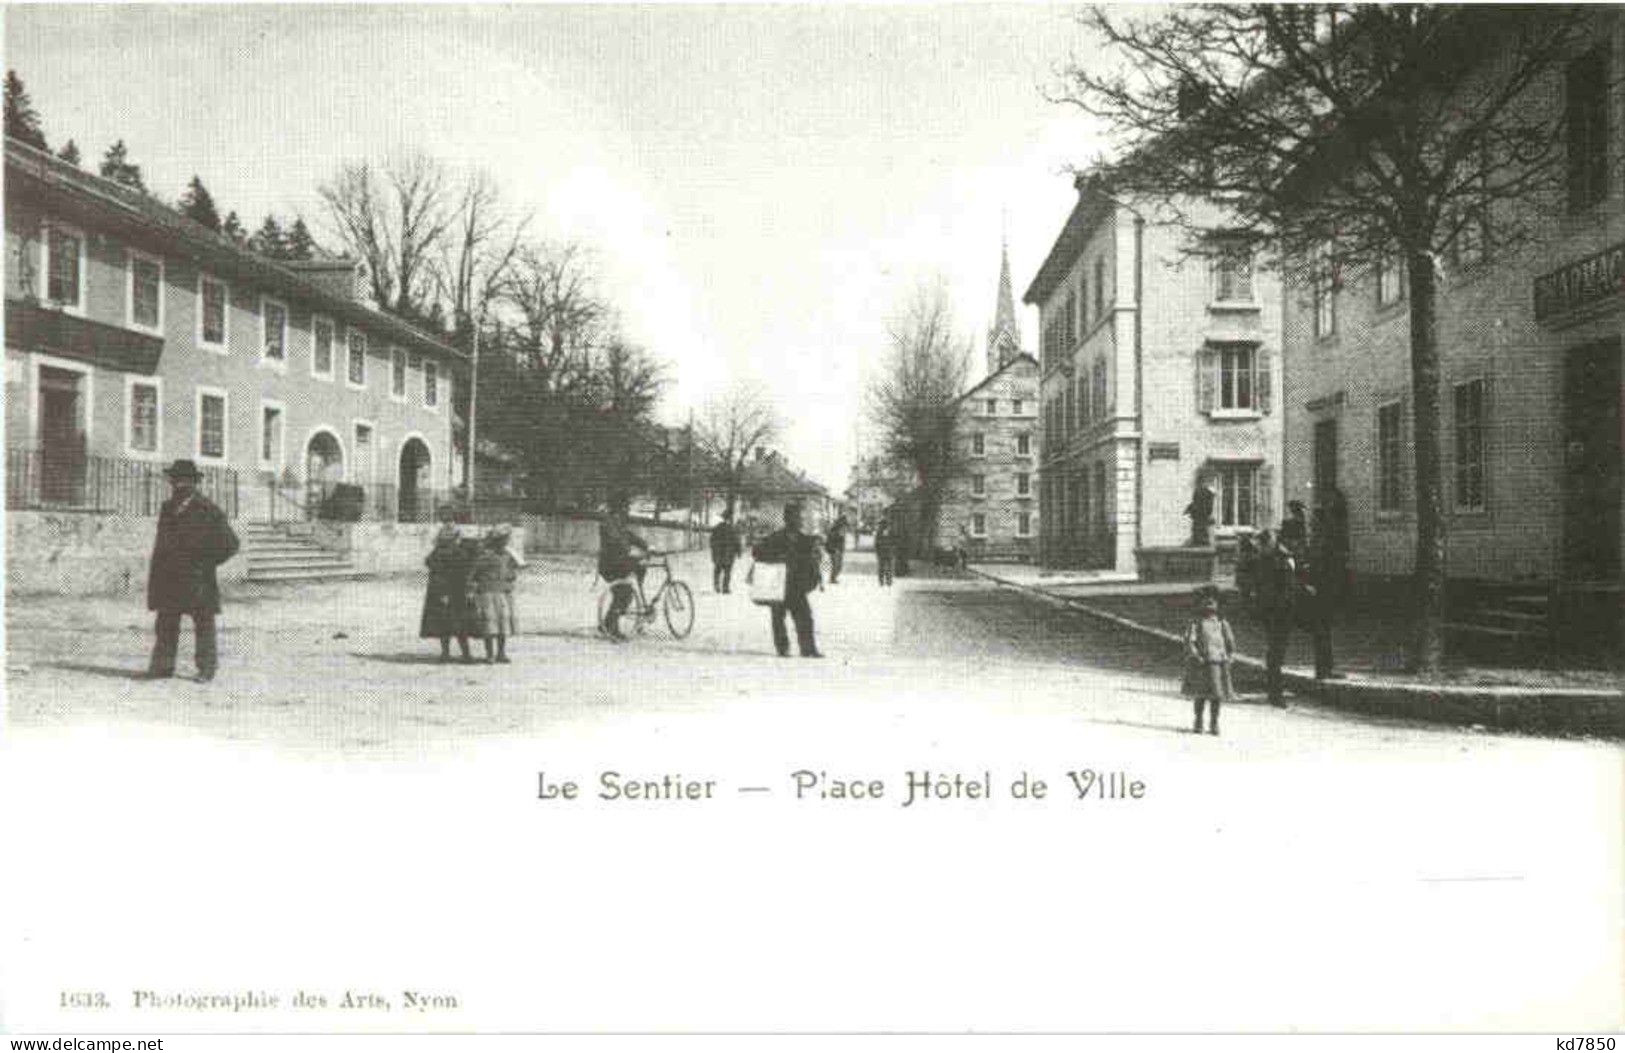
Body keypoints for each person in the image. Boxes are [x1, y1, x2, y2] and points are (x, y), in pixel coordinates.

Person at [146, 459, 240, 682]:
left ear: (193, 483)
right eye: (176, 480)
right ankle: (163, 667)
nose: (179, 485)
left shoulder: (207, 509)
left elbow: (231, 544)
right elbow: (161, 545)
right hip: (170, 578)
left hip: (198, 579)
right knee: (166, 622)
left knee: (203, 624)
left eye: (184, 481)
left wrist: (205, 562)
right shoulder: (167, 509)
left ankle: (206, 669)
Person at [751, 502, 823, 658]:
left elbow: (813, 558)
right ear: (787, 519)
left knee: (805, 617)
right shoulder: (775, 538)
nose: (799, 520)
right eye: (796, 517)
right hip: (778, 585)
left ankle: (808, 649)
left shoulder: (805, 539)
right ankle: (783, 648)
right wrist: (776, 557)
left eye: (799, 517)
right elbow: (757, 553)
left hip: (796, 586)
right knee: (778, 618)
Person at [1182, 588, 1235, 735]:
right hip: (1201, 663)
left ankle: (1214, 722)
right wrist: (1195, 655)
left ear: (1219, 605)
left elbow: (1230, 641)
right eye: (1205, 602)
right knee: (1200, 694)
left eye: (1213, 602)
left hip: (1217, 663)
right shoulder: (1196, 623)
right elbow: (1190, 641)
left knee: (1216, 695)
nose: (1209, 605)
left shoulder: (1222, 623)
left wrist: (1230, 655)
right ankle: (1198, 720)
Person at [1255, 529, 1297, 707]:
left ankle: (1275, 692)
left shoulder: (1280, 560)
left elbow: (1286, 587)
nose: (1260, 549)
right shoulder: (1269, 559)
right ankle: (1274, 692)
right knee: (1275, 653)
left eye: (1263, 545)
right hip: (1274, 612)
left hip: (1281, 612)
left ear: (1270, 544)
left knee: (1276, 654)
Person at [468, 525, 522, 663]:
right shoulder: (484, 556)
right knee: (489, 624)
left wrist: (511, 577)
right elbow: (473, 574)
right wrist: (473, 589)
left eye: (506, 540)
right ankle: (490, 654)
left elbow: (512, 573)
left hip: (503, 592)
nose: (505, 543)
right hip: (487, 592)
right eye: (503, 540)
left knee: (503, 624)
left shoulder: (508, 556)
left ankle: (501, 653)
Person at [420, 524, 473, 663]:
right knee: (460, 624)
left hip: (442, 593)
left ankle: (446, 653)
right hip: (455, 593)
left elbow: (430, 564)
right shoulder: (457, 553)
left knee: (444, 625)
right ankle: (465, 654)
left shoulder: (437, 553)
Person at [598, 500, 650, 642]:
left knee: (623, 591)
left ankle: (607, 623)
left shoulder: (617, 522)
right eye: (625, 508)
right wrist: (629, 551)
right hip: (612, 564)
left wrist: (646, 546)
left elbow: (630, 536)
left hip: (617, 562)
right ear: (618, 509)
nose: (627, 511)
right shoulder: (609, 523)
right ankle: (612, 629)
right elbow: (616, 541)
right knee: (624, 594)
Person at [710, 511, 742, 594]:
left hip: (719, 554)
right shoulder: (732, 529)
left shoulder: (717, 528)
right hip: (729, 555)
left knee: (717, 570)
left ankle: (716, 586)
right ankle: (725, 588)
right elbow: (737, 541)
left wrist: (713, 551)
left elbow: (712, 541)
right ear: (730, 519)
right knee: (727, 572)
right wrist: (739, 552)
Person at [1184, 475, 1218, 546]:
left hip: (1201, 516)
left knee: (1201, 530)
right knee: (1199, 530)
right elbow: (1195, 502)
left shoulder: (1206, 493)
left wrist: (1191, 509)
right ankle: (1200, 541)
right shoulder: (1203, 492)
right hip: (1200, 517)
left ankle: (1201, 541)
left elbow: (1208, 507)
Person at [825, 512, 851, 584]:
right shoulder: (835, 529)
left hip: (838, 550)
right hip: (835, 550)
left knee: (838, 565)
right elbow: (832, 540)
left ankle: (833, 578)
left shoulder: (839, 529)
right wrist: (835, 549)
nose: (845, 528)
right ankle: (832, 579)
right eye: (844, 525)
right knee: (836, 565)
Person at [874, 517, 896, 587]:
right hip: (887, 552)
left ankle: (882, 581)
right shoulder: (889, 531)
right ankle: (887, 581)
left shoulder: (879, 532)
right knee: (888, 567)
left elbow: (876, 543)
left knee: (882, 567)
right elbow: (893, 541)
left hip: (883, 552)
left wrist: (877, 551)